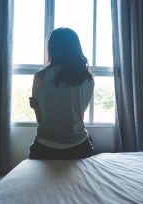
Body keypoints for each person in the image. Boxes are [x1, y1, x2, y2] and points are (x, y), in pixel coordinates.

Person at [28, 27, 95, 160]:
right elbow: (78, 117)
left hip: (45, 148)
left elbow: (40, 119)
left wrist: (35, 106)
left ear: (52, 48)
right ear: (76, 48)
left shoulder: (39, 76)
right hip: (78, 147)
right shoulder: (88, 78)